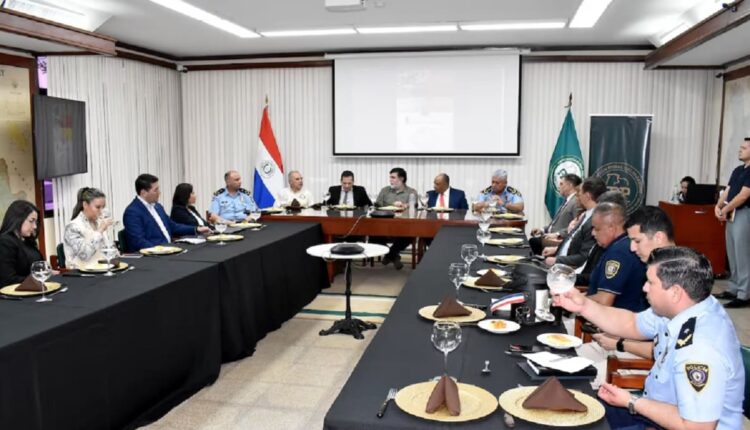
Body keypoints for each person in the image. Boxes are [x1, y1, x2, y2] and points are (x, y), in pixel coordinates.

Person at [554, 247, 744, 430]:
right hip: (655, 412)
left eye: (651, 282)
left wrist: (632, 401)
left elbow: (697, 427)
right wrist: (583, 306)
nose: (644, 288)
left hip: (672, 421)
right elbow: (631, 324)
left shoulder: (701, 350)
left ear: (675, 292)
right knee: (565, 411)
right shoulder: (687, 305)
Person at [591, 205, 678, 358]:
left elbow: (669, 351)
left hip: (645, 360)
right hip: (634, 340)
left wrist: (621, 343)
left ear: (658, 237)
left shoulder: (678, 277)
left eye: (637, 241)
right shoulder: (662, 265)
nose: (631, 248)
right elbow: (637, 321)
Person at [123, 174, 210, 252]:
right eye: (155, 190)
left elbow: (172, 226)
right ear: (143, 193)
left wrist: (196, 229)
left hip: (168, 249)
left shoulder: (158, 207)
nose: (159, 192)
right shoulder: (132, 212)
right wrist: (160, 251)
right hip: (153, 256)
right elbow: (138, 241)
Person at [586, 202, 647, 312]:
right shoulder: (622, 245)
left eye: (597, 228)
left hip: (616, 322)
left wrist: (577, 300)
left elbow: (604, 301)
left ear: (611, 228)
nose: (593, 233)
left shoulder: (618, 253)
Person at [715, 137, 750, 308]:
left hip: (745, 214)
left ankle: (744, 294)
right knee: (733, 254)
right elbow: (728, 191)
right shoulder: (737, 170)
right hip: (732, 214)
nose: (740, 150)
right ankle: (734, 288)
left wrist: (725, 209)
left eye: (744, 147)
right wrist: (718, 205)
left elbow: (744, 195)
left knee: (743, 255)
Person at [543, 176, 607, 268]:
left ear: (587, 196)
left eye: (580, 191)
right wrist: (556, 249)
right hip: (560, 259)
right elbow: (571, 240)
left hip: (569, 268)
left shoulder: (595, 221)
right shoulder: (585, 214)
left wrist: (557, 260)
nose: (578, 194)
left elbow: (584, 257)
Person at [373, 167, 418, 270]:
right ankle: (394, 256)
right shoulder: (385, 190)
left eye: (393, 177)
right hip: (384, 226)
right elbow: (377, 205)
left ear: (401, 179)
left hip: (403, 226)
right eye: (390, 177)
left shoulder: (411, 192)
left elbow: (414, 206)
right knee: (373, 235)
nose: (390, 180)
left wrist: (406, 205)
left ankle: (390, 255)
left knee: (409, 236)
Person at [530, 173, 582, 254]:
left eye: (561, 184)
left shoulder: (576, 202)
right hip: (551, 235)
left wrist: (557, 234)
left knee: (533, 242)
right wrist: (542, 230)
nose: (559, 186)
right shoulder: (567, 201)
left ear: (570, 185)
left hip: (561, 239)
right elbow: (555, 224)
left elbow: (577, 226)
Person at [62, 187, 114, 268]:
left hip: (100, 269)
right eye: (97, 207)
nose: (101, 211)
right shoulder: (72, 227)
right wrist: (99, 231)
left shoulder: (98, 222)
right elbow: (84, 255)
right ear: (85, 205)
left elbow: (107, 249)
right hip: (80, 275)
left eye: (103, 207)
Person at [0, 200, 44, 286]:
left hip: (33, 290)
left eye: (36, 222)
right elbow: (7, 280)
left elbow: (37, 266)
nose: (35, 226)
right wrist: (38, 278)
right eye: (31, 221)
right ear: (17, 219)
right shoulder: (4, 242)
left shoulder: (28, 241)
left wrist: (47, 272)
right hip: (14, 296)